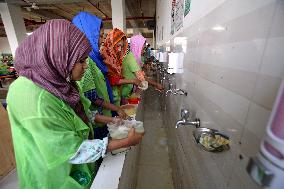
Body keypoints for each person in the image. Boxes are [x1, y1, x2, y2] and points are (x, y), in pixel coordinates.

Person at [7, 19, 143, 189]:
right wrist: (126, 141)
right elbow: (70, 150)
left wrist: (113, 120)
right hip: (52, 178)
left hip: (75, 171)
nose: (86, 66)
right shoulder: (34, 97)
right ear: (61, 55)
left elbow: (83, 114)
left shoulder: (60, 81)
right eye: (81, 61)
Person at [72, 12, 127, 139]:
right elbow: (91, 97)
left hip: (103, 116)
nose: (102, 40)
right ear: (88, 34)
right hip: (97, 122)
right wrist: (115, 109)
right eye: (100, 35)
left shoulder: (95, 58)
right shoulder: (86, 61)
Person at [101, 28, 141, 106]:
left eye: (121, 47)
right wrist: (132, 81)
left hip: (117, 95)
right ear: (111, 43)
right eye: (118, 46)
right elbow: (111, 80)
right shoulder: (105, 57)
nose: (119, 50)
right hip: (108, 99)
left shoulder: (115, 58)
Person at [121, 35, 164, 101]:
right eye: (142, 48)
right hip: (126, 91)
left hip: (130, 89)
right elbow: (141, 77)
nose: (144, 51)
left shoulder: (133, 56)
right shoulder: (131, 58)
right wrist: (156, 84)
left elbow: (140, 75)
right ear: (137, 47)